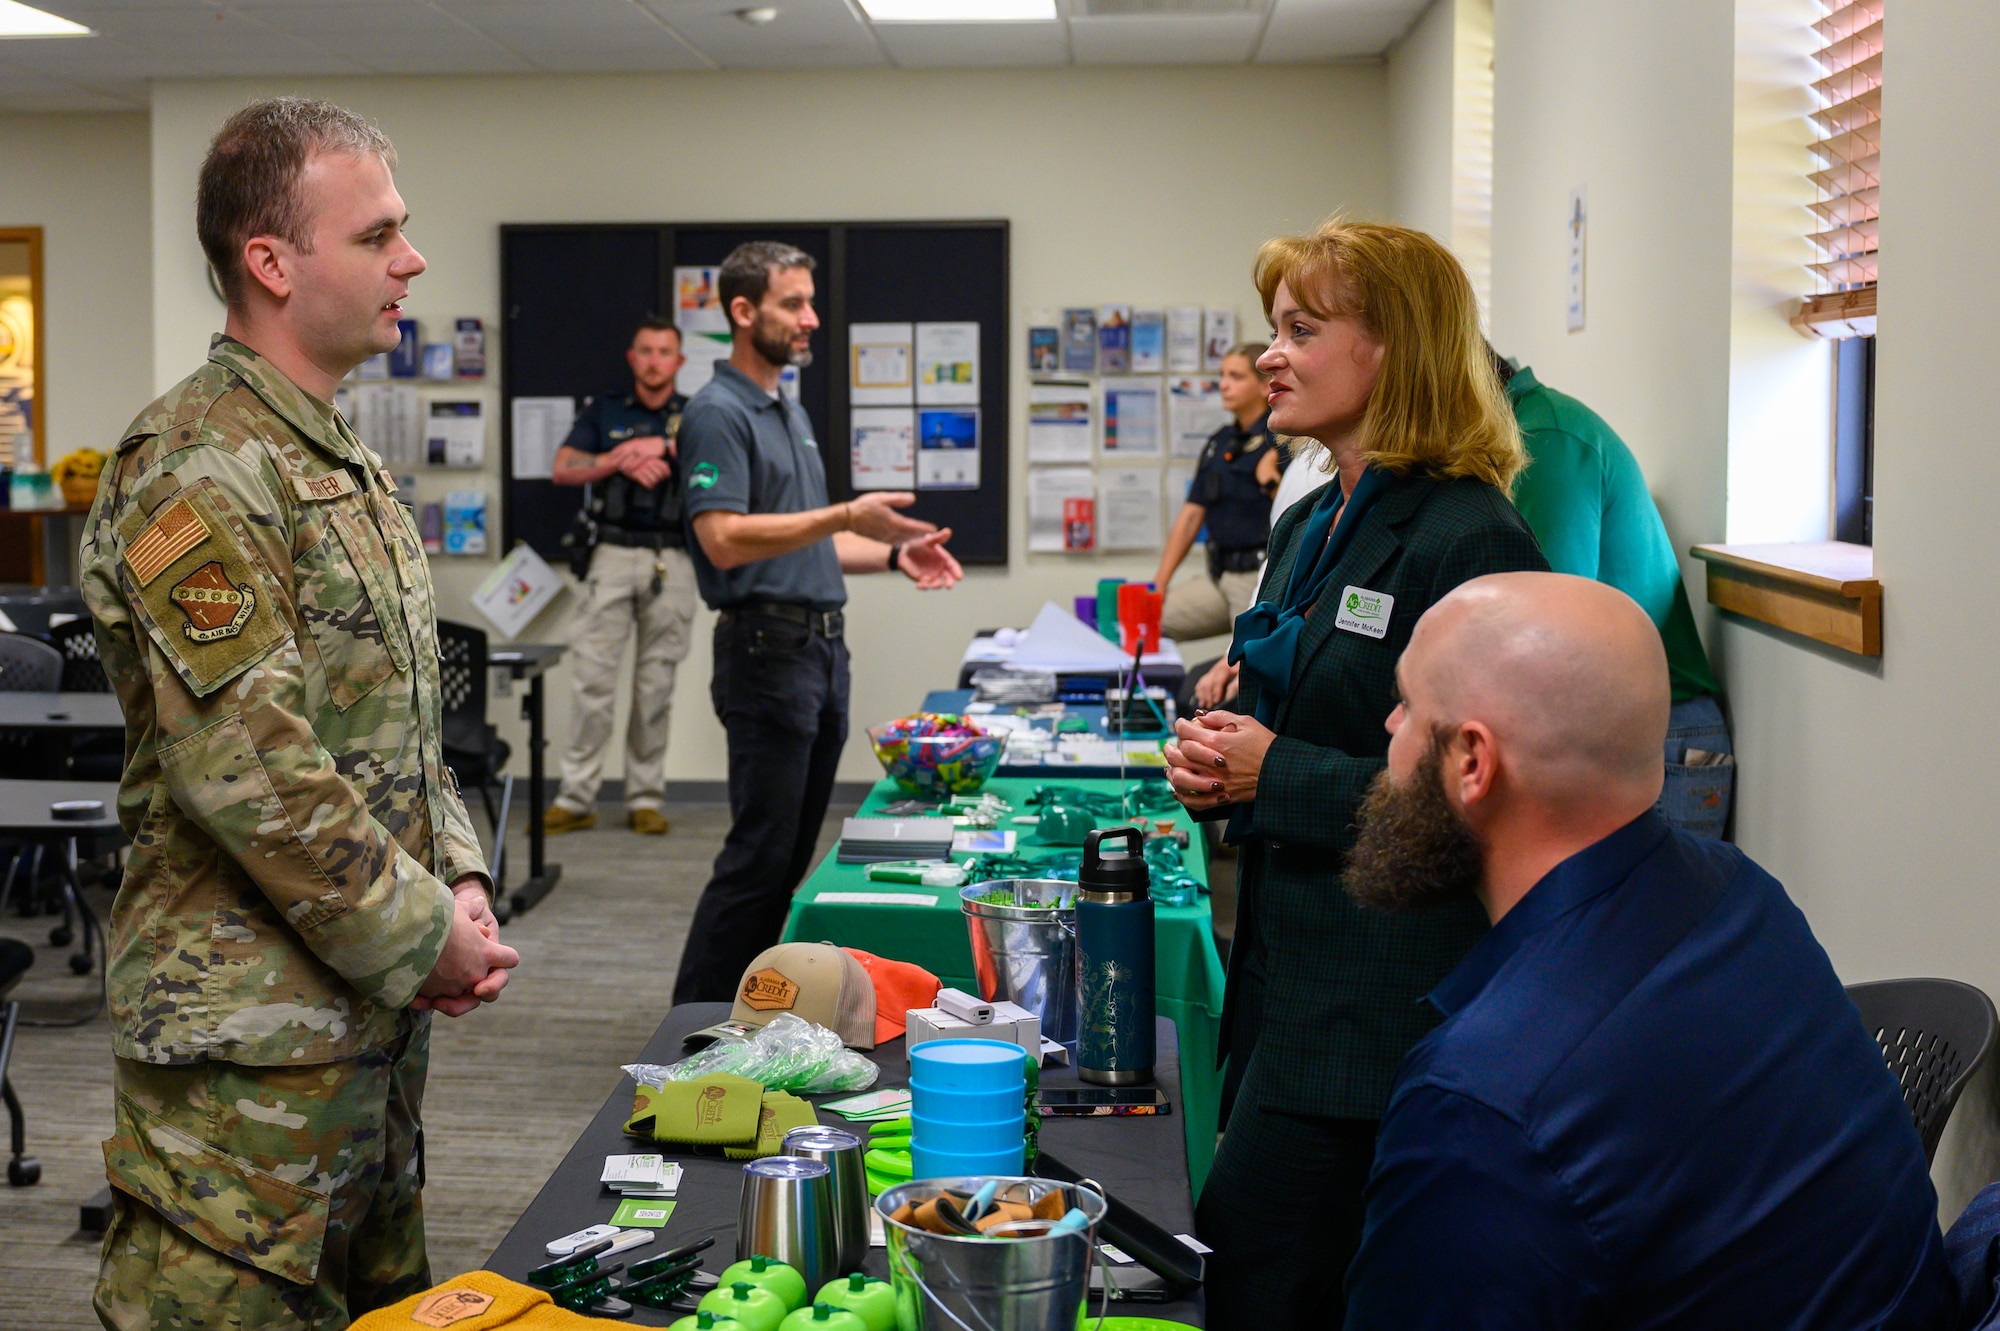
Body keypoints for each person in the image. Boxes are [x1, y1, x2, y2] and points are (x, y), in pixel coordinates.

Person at [78, 98, 520, 1330]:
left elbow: (396, 717)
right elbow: (252, 765)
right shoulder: (193, 460)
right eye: (378, 233)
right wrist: (419, 922)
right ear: (271, 262)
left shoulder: (336, 455)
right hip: (247, 1055)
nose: (411, 259)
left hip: (357, 1027)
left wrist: (460, 872)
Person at [1341, 572, 1954, 1329]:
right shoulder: (1741, 893)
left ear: (1474, 761)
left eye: (1406, 704)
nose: (1389, 726)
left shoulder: (1480, 1106)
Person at [1170, 220, 1548, 1329]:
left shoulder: (1467, 537)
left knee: (1253, 1281)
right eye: (1270, 329)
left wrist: (1273, 773)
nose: (1270, 354)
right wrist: (1222, 742)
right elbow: (1309, 696)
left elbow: (1489, 798)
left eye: (1301, 329)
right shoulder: (1319, 515)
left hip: (1374, 1009)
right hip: (1287, 980)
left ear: (1395, 348)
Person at [671, 241, 963, 1004]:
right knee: (759, 854)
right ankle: (689, 1022)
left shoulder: (787, 407)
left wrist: (895, 554)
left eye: (809, 301)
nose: (811, 319)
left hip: (818, 650)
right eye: (793, 304)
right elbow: (724, 536)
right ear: (743, 311)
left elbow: (814, 539)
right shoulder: (716, 412)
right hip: (766, 650)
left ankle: (750, 1006)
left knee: (792, 851)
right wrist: (846, 512)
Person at [1495, 351, 1735, 838]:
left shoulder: (1546, 437)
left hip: (1660, 735)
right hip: (1629, 729)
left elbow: (1550, 622)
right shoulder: (1530, 427)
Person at [543, 316, 696, 837]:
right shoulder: (605, 410)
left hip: (672, 558)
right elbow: (563, 467)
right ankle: (577, 796)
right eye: (646, 351)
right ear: (633, 358)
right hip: (610, 553)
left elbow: (726, 459)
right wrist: (619, 459)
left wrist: (661, 448)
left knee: (657, 686)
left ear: (679, 361)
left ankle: (644, 797)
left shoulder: (695, 415)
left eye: (664, 352)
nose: (654, 361)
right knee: (593, 683)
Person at [1184, 436, 1333, 711]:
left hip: (1307, 660)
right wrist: (1239, 652)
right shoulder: (1304, 463)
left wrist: (1254, 660)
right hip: (1259, 608)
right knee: (1194, 691)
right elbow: (1278, 565)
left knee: (1215, 707)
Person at [1154, 342, 1285, 643]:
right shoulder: (1220, 442)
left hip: (1257, 579)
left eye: (1236, 377)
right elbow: (1191, 515)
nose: (1223, 385)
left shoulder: (1283, 438)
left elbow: (1300, 511)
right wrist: (1159, 585)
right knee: (1150, 623)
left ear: (1266, 385)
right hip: (1219, 575)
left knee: (1246, 663)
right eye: (1222, 376)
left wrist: (1268, 480)